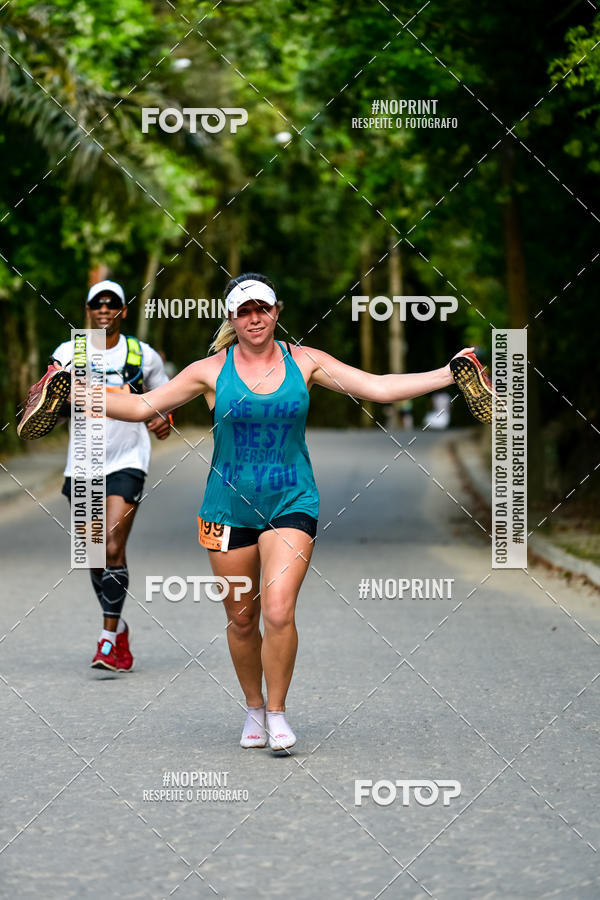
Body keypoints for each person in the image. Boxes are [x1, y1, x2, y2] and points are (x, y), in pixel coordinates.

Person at [99, 272, 488, 750]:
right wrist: (74, 398)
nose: (255, 317)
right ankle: (253, 708)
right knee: (243, 620)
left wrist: (451, 372)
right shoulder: (208, 371)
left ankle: (278, 711)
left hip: (291, 502)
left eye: (262, 308)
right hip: (226, 510)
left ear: (277, 311)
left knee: (279, 611)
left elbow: (378, 387)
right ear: (232, 318)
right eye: (244, 310)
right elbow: (142, 407)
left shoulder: (305, 362)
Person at [20, 279, 172, 672]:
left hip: (128, 460)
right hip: (83, 461)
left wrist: (163, 421)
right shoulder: (71, 352)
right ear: (88, 310)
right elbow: (50, 399)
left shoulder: (143, 355)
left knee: (112, 545)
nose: (104, 309)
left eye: (112, 303)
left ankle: (106, 641)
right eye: (97, 304)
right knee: (91, 554)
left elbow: (166, 402)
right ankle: (118, 628)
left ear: (122, 310)